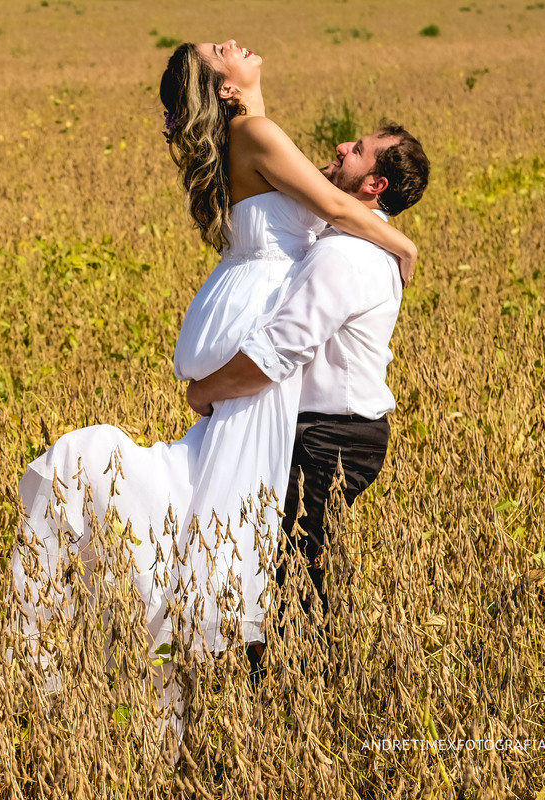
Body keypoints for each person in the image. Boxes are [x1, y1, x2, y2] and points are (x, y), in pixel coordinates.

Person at [8, 40, 418, 676]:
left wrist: (250, 99)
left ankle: (266, 664)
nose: (234, 44)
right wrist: (406, 246)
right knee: (262, 540)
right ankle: (279, 672)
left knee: (262, 536)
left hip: (282, 369)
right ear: (224, 91)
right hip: (273, 364)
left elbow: (305, 196)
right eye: (219, 52)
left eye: (356, 148)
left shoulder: (250, 133)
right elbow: (334, 205)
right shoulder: (259, 137)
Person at [186, 123, 430, 664]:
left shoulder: (343, 256)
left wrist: (205, 391)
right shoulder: (348, 241)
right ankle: (289, 689)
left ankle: (292, 696)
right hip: (334, 431)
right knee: (291, 564)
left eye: (358, 151)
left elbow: (277, 354)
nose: (343, 147)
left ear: (375, 186)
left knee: (286, 571)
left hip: (328, 436)